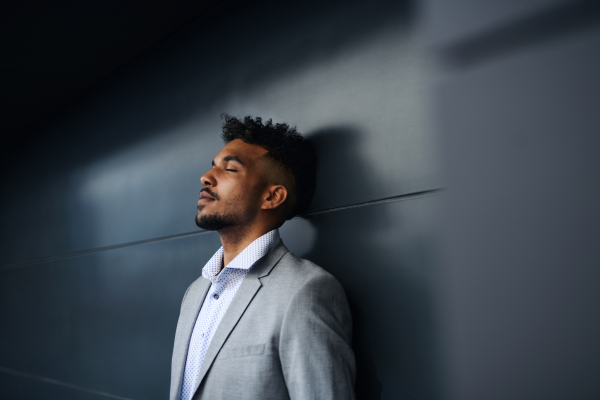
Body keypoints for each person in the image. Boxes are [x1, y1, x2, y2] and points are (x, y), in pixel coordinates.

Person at [169, 115, 356, 400]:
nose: (206, 177)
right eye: (212, 167)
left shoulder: (306, 290)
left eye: (230, 168)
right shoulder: (195, 292)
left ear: (272, 197)